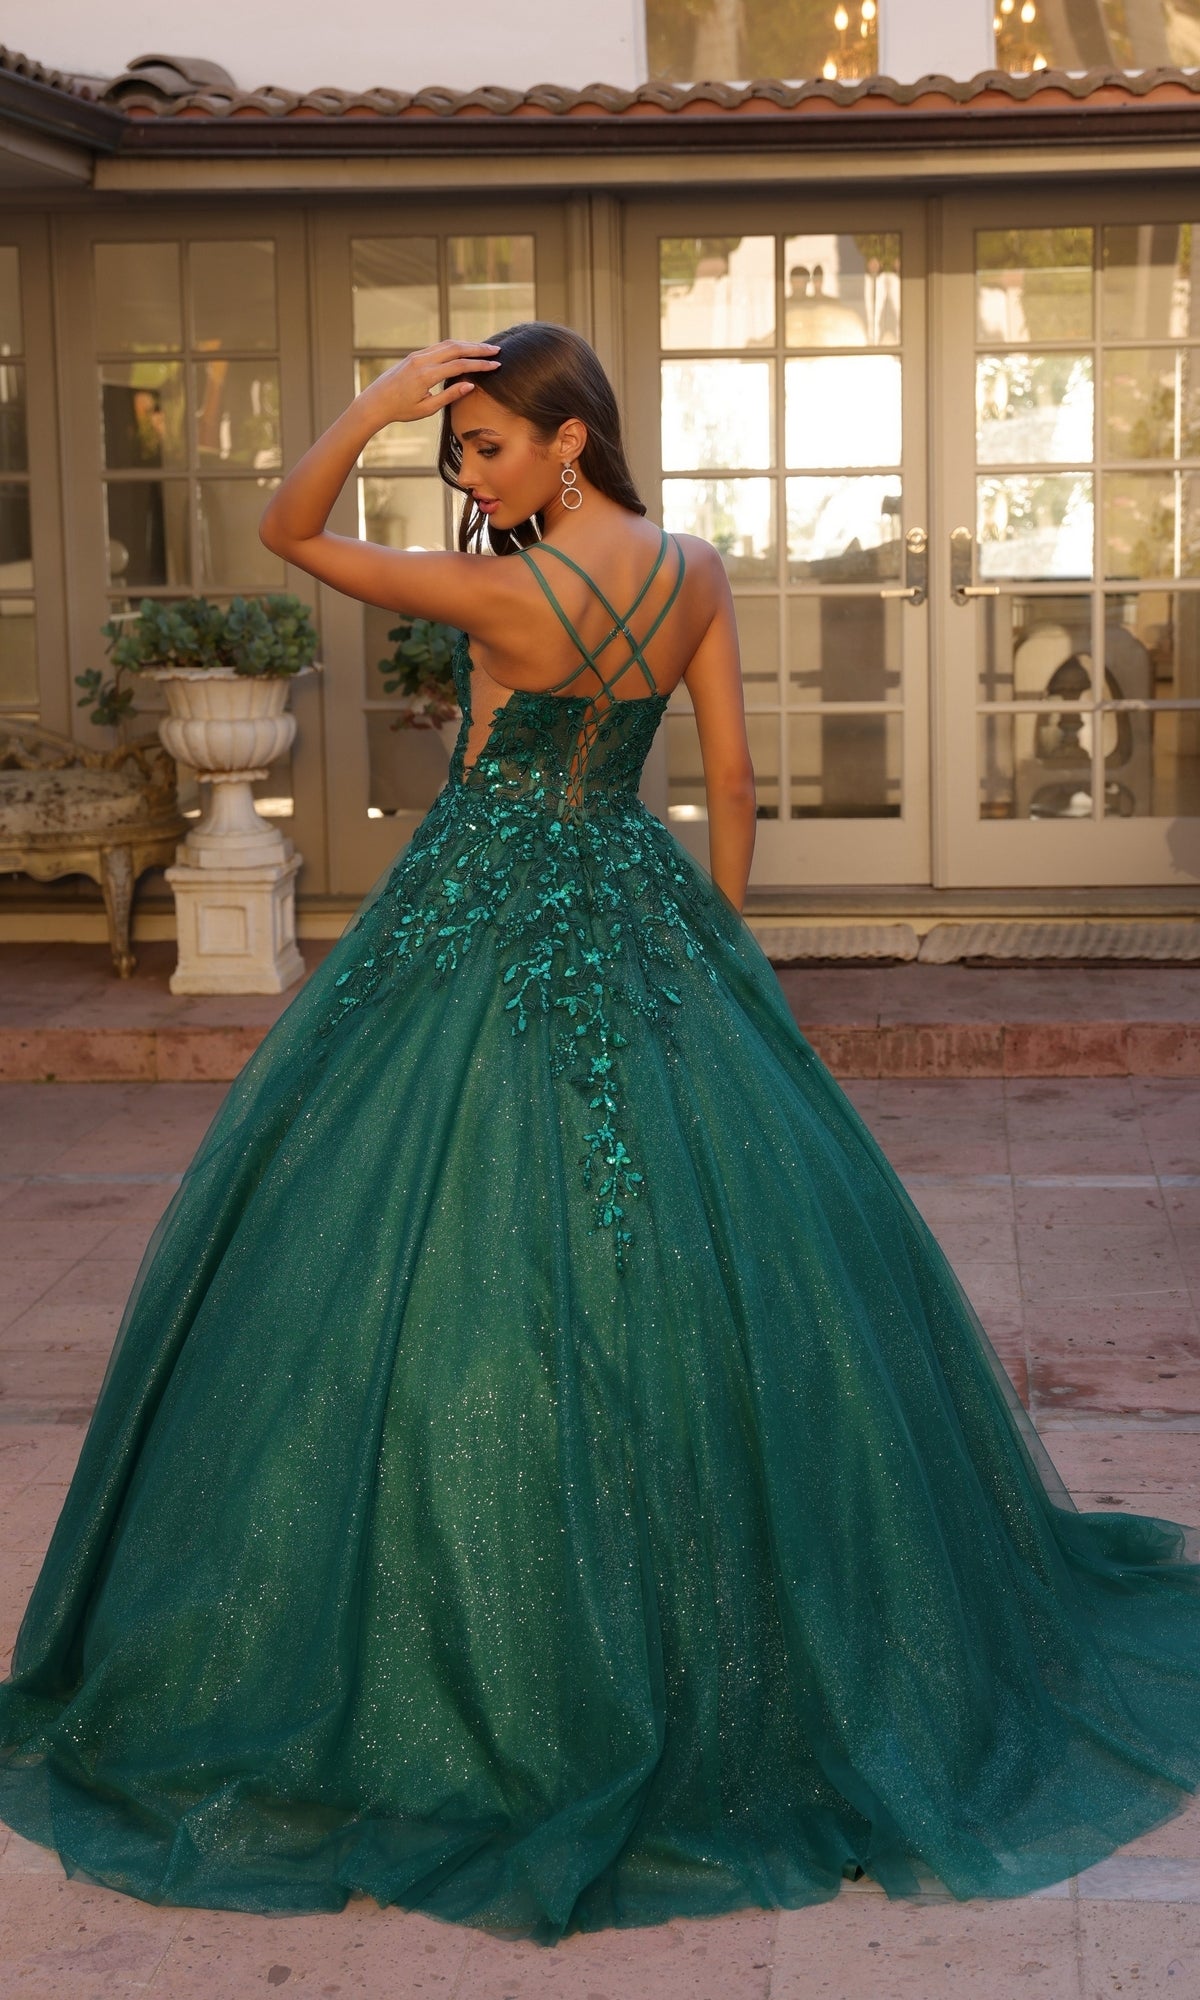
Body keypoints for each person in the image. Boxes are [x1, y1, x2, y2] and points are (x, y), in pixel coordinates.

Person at [1, 322, 1199, 1946]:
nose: (470, 471)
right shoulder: (692, 568)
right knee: (698, 1236)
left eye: (488, 445)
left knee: (432, 1231)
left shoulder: (503, 596)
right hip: (640, 901)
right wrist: (722, 951)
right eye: (456, 448)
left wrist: (372, 402)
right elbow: (731, 778)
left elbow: (288, 530)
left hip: (480, 914)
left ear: (571, 440)